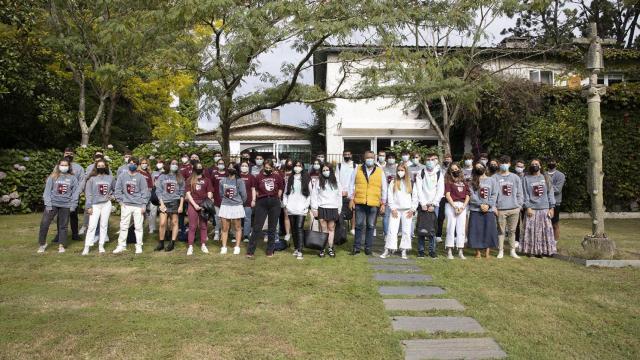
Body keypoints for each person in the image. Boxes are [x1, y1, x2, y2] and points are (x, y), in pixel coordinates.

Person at [38, 158, 81, 253]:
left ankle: (61, 245)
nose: (64, 167)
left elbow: (75, 193)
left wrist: (73, 205)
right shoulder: (52, 177)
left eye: (66, 165)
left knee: (63, 226)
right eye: (62, 165)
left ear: (69, 166)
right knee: (44, 224)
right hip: (52, 204)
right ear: (58, 166)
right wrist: (48, 205)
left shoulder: (73, 178)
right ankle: (42, 244)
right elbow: (47, 192)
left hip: (66, 205)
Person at [349, 151, 387, 255]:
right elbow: (351, 184)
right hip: (360, 202)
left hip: (374, 203)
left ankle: (368, 248)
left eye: (371, 157)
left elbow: (384, 187)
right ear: (364, 158)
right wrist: (351, 199)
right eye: (367, 157)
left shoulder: (380, 171)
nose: (369, 159)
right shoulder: (357, 169)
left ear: (374, 158)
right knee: (358, 225)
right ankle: (356, 247)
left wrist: (383, 203)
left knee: (370, 226)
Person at [247, 159, 284, 258]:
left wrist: (277, 197)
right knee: (257, 227)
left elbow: (280, 188)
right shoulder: (258, 177)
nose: (268, 169)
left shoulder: (277, 176)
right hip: (262, 202)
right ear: (263, 167)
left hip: (274, 202)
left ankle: (270, 250)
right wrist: (255, 199)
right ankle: (250, 251)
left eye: (269, 168)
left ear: (272, 168)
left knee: (272, 228)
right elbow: (255, 189)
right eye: (266, 167)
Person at [380, 164, 418, 259]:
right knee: (392, 230)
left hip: (407, 211)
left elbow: (415, 197)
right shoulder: (393, 182)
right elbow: (390, 196)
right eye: (399, 170)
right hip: (395, 210)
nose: (400, 172)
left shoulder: (411, 183)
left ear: (406, 171)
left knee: (406, 231)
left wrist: (412, 209)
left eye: (402, 170)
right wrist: (392, 208)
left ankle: (404, 250)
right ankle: (388, 249)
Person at [113, 157, 150, 254]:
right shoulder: (122, 176)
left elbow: (144, 192)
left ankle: (138, 246)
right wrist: (121, 202)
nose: (132, 165)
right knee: (124, 226)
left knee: (138, 227)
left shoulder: (141, 177)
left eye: (134, 163)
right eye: (130, 163)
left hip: (138, 205)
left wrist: (143, 205)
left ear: (137, 165)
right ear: (128, 164)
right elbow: (117, 190)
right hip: (126, 204)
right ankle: (121, 245)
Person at [521, 159, 557, 257]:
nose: (534, 166)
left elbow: (550, 193)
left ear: (540, 166)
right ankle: (531, 251)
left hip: (544, 208)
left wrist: (552, 207)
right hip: (532, 209)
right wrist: (528, 207)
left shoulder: (546, 177)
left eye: (536, 164)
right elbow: (525, 194)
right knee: (531, 231)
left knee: (544, 231)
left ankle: (543, 251)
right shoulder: (526, 178)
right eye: (532, 164)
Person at [81, 159, 114, 255]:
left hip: (106, 204)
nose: (100, 167)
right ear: (96, 167)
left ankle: (101, 246)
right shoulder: (91, 179)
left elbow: (116, 189)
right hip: (95, 205)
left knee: (104, 225)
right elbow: (88, 194)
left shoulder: (110, 178)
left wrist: (112, 196)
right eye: (99, 165)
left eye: (102, 165)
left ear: (106, 166)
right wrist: (89, 207)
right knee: (92, 226)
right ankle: (86, 247)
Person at [494, 155, 523, 259]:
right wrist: (494, 207)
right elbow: (493, 194)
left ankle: (512, 251)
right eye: (502, 163)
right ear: (499, 164)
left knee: (512, 231)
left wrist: (519, 206)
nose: (504, 164)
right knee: (501, 231)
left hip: (514, 209)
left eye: (506, 162)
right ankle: (500, 250)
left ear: (510, 164)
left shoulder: (515, 177)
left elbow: (520, 193)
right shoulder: (495, 177)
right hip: (501, 209)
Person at [415, 154, 444, 258]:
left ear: (435, 161)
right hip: (422, 205)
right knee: (422, 228)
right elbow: (418, 189)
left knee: (432, 229)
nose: (430, 161)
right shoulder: (420, 173)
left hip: (434, 205)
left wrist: (434, 203)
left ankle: (432, 251)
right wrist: (423, 203)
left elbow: (440, 190)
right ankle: (421, 251)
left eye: (432, 160)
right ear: (425, 161)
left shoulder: (439, 174)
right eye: (428, 160)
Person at [467, 162, 498, 258]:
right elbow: (471, 195)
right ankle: (478, 252)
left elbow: (494, 194)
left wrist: (488, 205)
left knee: (489, 230)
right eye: (477, 167)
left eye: (481, 166)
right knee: (476, 230)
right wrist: (480, 204)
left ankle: (487, 252)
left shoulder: (492, 180)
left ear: (485, 168)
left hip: (489, 210)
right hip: (476, 210)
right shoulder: (471, 181)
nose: (479, 168)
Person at [311, 163, 342, 258]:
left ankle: (330, 248)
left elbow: (339, 195)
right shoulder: (318, 181)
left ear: (331, 170)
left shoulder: (336, 181)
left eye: (327, 170)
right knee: (323, 229)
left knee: (331, 228)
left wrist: (339, 208)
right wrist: (314, 208)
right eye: (323, 170)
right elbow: (314, 195)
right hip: (322, 207)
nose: (325, 172)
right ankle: (322, 248)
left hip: (333, 208)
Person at [154, 159, 185, 252]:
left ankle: (172, 242)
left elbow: (182, 192)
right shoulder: (162, 176)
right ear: (169, 165)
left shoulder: (179, 177)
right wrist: (161, 203)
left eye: (176, 164)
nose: (174, 165)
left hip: (175, 201)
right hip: (164, 202)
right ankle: (161, 243)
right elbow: (158, 190)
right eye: (173, 163)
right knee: (162, 223)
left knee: (174, 222)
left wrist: (181, 205)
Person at [284, 161, 312, 260]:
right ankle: (296, 248)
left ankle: (300, 250)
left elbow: (310, 194)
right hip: (291, 208)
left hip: (301, 208)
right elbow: (285, 193)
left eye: (299, 166)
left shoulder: (307, 179)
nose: (297, 167)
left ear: (302, 167)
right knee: (294, 229)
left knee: (299, 228)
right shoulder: (290, 178)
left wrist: (306, 206)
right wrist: (286, 205)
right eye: (296, 165)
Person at [56, 148, 84, 242]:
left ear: (73, 155)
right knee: (60, 216)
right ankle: (59, 235)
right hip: (60, 195)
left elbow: (82, 181)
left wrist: (77, 192)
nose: (69, 155)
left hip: (73, 195)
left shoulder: (79, 168)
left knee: (73, 215)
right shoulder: (58, 166)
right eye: (67, 153)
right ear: (64, 154)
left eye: (71, 154)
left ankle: (75, 234)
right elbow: (53, 179)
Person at [218, 164, 247, 255]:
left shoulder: (240, 181)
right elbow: (221, 193)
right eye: (229, 167)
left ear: (236, 169)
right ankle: (224, 247)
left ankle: (237, 246)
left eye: (233, 167)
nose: (231, 169)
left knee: (237, 227)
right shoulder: (222, 181)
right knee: (225, 228)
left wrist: (238, 202)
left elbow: (244, 195)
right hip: (225, 206)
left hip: (236, 206)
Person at [185, 161, 213, 255]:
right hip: (193, 204)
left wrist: (206, 204)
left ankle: (203, 244)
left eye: (201, 166)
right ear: (194, 169)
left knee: (203, 225)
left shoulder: (207, 180)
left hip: (204, 204)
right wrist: (195, 205)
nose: (199, 168)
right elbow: (188, 193)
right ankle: (190, 246)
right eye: (198, 167)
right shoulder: (189, 180)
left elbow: (209, 192)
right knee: (192, 226)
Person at [444, 163, 470, 259]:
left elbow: (468, 195)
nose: (455, 171)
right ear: (450, 171)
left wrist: (463, 207)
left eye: (456, 169)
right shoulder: (448, 182)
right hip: (451, 205)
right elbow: (447, 195)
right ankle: (449, 251)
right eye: (453, 169)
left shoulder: (464, 181)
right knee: (451, 228)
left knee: (461, 229)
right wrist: (454, 207)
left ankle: (460, 251)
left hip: (462, 205)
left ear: (459, 169)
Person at [337, 150, 357, 236]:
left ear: (351, 155)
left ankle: (353, 228)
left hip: (351, 192)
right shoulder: (339, 165)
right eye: (345, 155)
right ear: (343, 155)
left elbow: (355, 180)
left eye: (348, 154)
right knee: (339, 210)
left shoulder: (355, 166)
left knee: (353, 210)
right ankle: (340, 227)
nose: (347, 156)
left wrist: (350, 192)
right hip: (341, 192)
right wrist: (341, 191)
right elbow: (337, 179)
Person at [208, 158, 228, 241]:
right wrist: (211, 197)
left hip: (226, 200)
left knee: (226, 217)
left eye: (222, 163)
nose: (221, 165)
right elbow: (211, 186)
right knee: (217, 217)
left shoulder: (227, 174)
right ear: (217, 164)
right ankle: (216, 233)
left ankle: (224, 232)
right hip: (216, 199)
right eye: (219, 163)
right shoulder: (214, 174)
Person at [547, 158, 565, 242]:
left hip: (555, 203)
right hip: (543, 203)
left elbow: (558, 189)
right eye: (549, 162)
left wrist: (546, 188)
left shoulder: (560, 175)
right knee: (545, 224)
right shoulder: (543, 174)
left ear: (556, 163)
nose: (551, 163)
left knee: (555, 224)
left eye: (553, 161)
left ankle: (555, 242)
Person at [381, 152, 398, 238]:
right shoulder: (383, 169)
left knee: (396, 216)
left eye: (393, 157)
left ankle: (395, 233)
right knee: (386, 216)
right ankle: (386, 234)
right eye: (389, 157)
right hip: (387, 195)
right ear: (387, 159)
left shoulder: (399, 168)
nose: (391, 159)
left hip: (397, 195)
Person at [239, 161, 256, 243]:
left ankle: (246, 235)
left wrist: (253, 200)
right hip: (237, 201)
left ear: (248, 167)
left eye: (246, 165)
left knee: (247, 219)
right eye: (243, 165)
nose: (244, 167)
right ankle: (237, 235)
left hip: (248, 201)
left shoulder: (252, 177)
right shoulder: (237, 176)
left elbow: (253, 189)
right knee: (238, 219)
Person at [148, 158, 165, 234]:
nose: (159, 164)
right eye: (158, 162)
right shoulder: (153, 172)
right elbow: (151, 182)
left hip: (163, 193)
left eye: (161, 162)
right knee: (153, 211)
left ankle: (164, 227)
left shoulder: (166, 172)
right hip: (154, 192)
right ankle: (152, 227)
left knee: (163, 210)